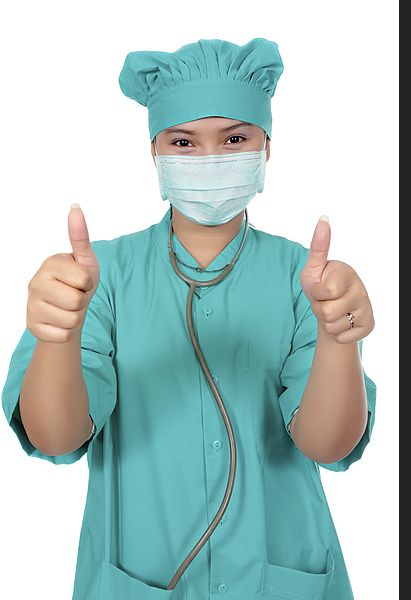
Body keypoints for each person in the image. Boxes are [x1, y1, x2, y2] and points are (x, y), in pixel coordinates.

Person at [1, 37, 377, 599]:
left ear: (266, 147)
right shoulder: (95, 278)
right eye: (183, 141)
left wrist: (338, 340)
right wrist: (57, 338)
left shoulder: (310, 281)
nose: (211, 159)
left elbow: (329, 445)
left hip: (279, 578)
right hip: (138, 579)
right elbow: (57, 439)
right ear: (154, 150)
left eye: (234, 139)